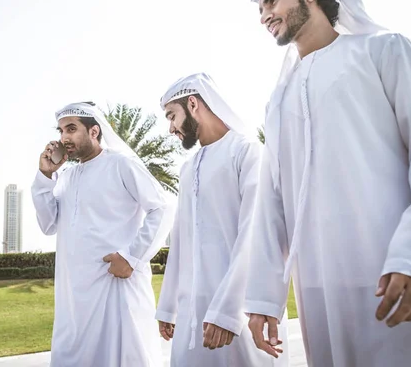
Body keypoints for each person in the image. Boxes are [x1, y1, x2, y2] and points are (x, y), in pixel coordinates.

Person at [243, 0, 411, 366]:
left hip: (395, 274)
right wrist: (263, 296)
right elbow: (272, 201)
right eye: (260, 7)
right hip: (319, 288)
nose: (264, 14)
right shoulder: (278, 100)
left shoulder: (383, 51)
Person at [155, 72, 289, 366]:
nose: (170, 128)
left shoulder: (247, 152)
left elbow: (255, 234)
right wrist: (168, 308)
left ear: (193, 104)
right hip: (192, 317)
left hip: (237, 314)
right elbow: (180, 241)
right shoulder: (189, 168)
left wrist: (227, 312)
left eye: (171, 116)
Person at [31, 101, 169, 367]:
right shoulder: (67, 177)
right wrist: (45, 176)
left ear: (94, 132)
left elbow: (162, 208)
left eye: (71, 129)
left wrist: (131, 257)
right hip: (74, 300)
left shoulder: (121, 164)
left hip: (115, 290)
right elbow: (48, 224)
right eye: (60, 131)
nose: (64, 138)